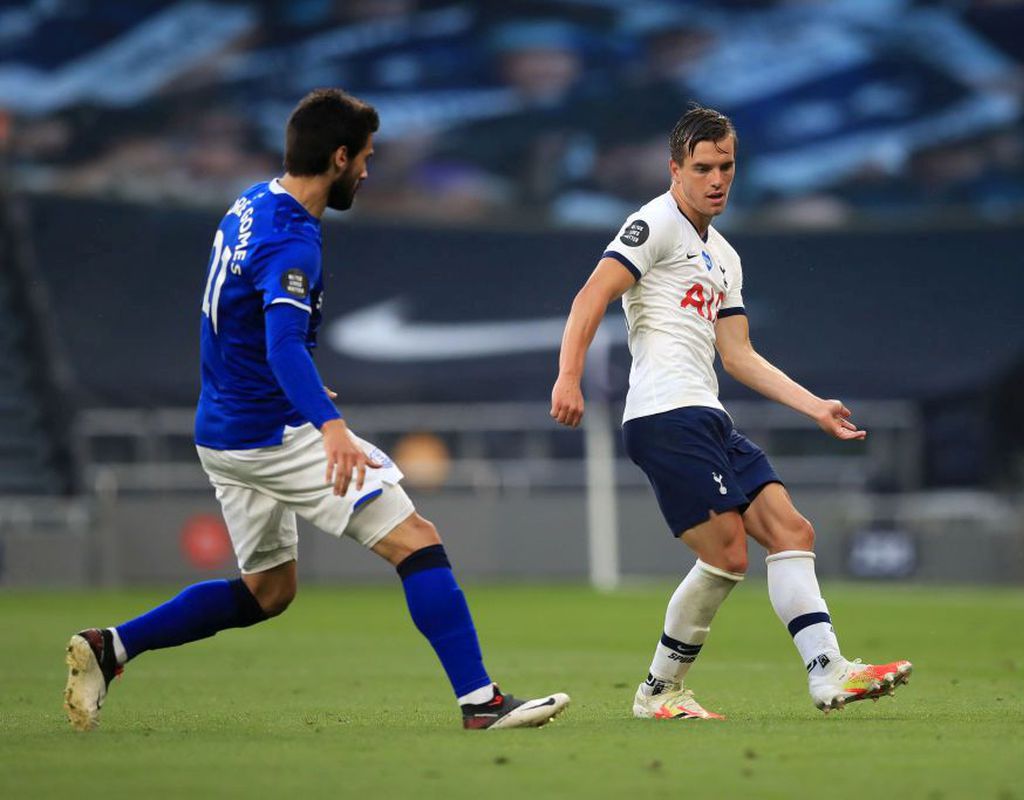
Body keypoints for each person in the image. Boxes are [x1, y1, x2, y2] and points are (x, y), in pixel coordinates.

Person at [64, 88, 569, 732]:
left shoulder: (251, 203)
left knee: (268, 592)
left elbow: (242, 326)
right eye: (366, 157)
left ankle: (111, 647)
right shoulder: (291, 243)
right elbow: (281, 343)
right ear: (339, 157)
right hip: (271, 435)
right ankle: (481, 702)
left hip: (222, 429)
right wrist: (329, 426)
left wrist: (294, 387)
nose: (368, 171)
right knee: (417, 541)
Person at [551, 105, 910, 719]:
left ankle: (828, 672)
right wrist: (568, 375)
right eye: (703, 168)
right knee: (726, 555)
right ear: (675, 170)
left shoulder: (724, 255)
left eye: (726, 167)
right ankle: (659, 692)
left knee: (792, 532)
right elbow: (591, 296)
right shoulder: (653, 224)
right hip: (663, 415)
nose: (717, 180)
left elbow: (738, 356)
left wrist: (816, 407)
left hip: (707, 416)